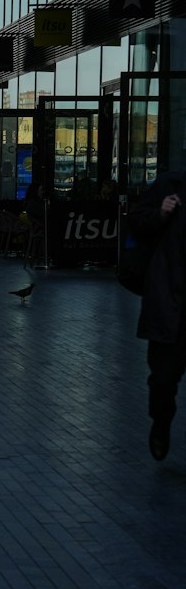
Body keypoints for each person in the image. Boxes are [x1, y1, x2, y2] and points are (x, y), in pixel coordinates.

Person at [130, 170, 186, 460]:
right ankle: (161, 423)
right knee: (163, 381)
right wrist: (160, 215)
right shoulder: (169, 185)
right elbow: (136, 222)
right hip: (169, 304)